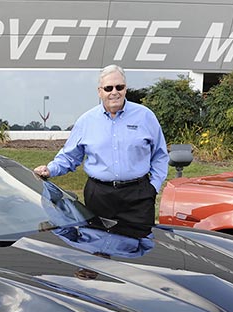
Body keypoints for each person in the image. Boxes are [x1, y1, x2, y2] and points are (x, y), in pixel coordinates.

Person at [34, 64, 168, 226]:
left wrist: (153, 187)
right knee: (98, 247)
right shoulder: (86, 121)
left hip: (138, 196)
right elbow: (70, 156)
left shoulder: (145, 116)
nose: (114, 92)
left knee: (139, 246)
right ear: (100, 91)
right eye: (108, 88)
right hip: (99, 197)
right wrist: (50, 170)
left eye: (119, 87)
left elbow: (160, 155)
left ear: (125, 89)